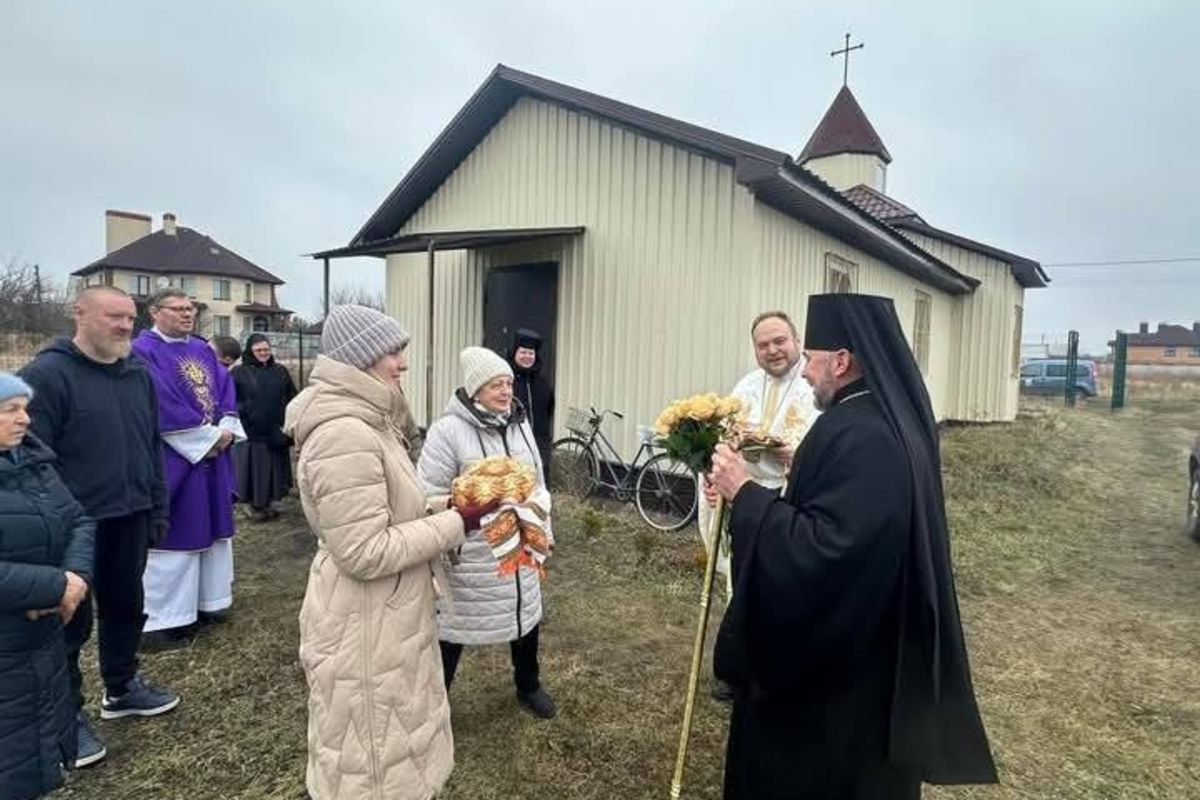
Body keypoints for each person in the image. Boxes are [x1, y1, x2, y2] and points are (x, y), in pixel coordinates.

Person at [708, 293, 997, 799]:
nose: (803, 374)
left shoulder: (860, 433)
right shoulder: (881, 419)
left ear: (840, 362)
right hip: (873, 654)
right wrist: (801, 468)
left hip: (839, 691)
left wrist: (745, 495)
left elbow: (827, 552)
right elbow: (849, 509)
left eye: (812, 361)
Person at [285, 304, 468, 800]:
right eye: (393, 352)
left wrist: (444, 504)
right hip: (362, 627)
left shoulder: (370, 422)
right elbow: (364, 550)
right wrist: (458, 523)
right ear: (359, 358)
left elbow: (388, 511)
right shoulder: (343, 434)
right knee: (374, 763)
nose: (402, 363)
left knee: (397, 743)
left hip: (386, 617)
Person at [19, 286, 178, 769]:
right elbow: (30, 462)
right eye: (114, 317)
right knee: (68, 626)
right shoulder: (46, 376)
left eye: (130, 318)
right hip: (74, 526)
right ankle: (66, 718)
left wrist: (156, 506)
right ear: (80, 314)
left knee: (127, 606)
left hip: (130, 515)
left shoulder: (137, 374)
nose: (125, 326)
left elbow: (151, 444)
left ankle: (122, 686)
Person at [418, 346, 557, 719]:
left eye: (508, 383)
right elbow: (427, 494)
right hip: (472, 554)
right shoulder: (447, 432)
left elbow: (538, 482)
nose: (505, 391)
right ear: (475, 389)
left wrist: (543, 526)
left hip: (521, 542)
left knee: (524, 613)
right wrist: (471, 503)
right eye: (496, 384)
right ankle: (435, 703)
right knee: (454, 623)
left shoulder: (521, 424)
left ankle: (528, 684)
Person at [700, 312, 819, 700]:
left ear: (796, 339)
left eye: (779, 341)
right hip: (746, 499)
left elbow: (830, 452)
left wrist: (793, 455)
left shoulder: (814, 384)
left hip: (792, 501)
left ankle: (779, 677)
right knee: (743, 584)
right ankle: (738, 672)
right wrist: (714, 473)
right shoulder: (746, 386)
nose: (772, 351)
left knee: (783, 591)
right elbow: (723, 440)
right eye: (763, 345)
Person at [131, 289, 245, 641]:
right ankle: (165, 619)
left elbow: (225, 388)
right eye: (178, 309)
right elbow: (157, 399)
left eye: (190, 309)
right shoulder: (142, 351)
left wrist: (225, 427)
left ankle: (208, 602)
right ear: (154, 312)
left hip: (211, 455)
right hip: (174, 456)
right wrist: (205, 438)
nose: (187, 315)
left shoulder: (200, 349)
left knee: (210, 528)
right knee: (176, 531)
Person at [0, 373, 94, 799]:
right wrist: (51, 586)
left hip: (40, 638)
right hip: (9, 640)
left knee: (31, 745)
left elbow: (78, 519)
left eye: (25, 408)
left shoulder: (32, 462)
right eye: (11, 410)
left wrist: (72, 582)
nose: (25, 419)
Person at [231, 333, 297, 521]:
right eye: (259, 350)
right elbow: (232, 399)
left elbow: (292, 396)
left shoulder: (280, 371)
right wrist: (247, 414)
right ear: (250, 351)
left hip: (276, 429)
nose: (263, 353)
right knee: (255, 470)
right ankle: (254, 506)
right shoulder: (239, 372)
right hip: (252, 431)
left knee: (273, 469)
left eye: (266, 350)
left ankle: (267, 503)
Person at [507, 328, 554, 480]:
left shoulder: (542, 383)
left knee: (539, 487)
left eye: (531, 353)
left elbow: (549, 409)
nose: (527, 356)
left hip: (539, 444)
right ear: (515, 353)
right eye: (523, 352)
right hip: (512, 446)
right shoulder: (506, 381)